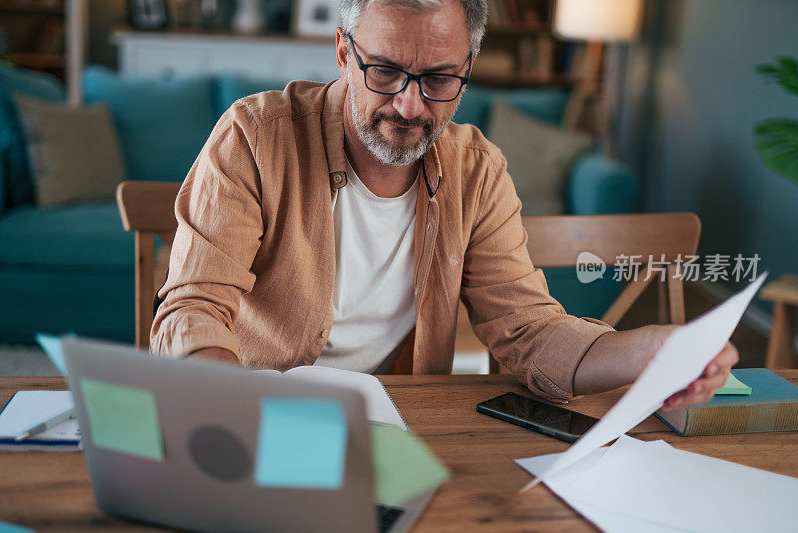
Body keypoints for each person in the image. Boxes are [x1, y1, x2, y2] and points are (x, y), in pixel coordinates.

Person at [151, 0, 737, 409]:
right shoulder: (255, 137)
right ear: (342, 53)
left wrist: (648, 352)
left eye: (438, 79)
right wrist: (237, 414)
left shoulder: (477, 172)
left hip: (400, 426)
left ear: (467, 70)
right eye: (384, 72)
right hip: (256, 410)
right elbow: (193, 308)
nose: (410, 107)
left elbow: (530, 332)